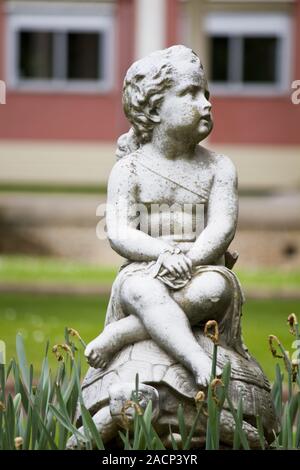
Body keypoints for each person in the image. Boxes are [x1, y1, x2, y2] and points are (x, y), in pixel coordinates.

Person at [85, 45, 247, 387]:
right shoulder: (128, 169)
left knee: (214, 291)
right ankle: (196, 359)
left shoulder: (219, 167)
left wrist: (188, 260)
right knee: (142, 292)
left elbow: (222, 226)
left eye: (206, 93)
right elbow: (118, 231)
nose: (206, 103)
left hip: (201, 268)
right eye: (190, 94)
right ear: (155, 109)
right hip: (146, 270)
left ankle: (120, 335)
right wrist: (164, 254)